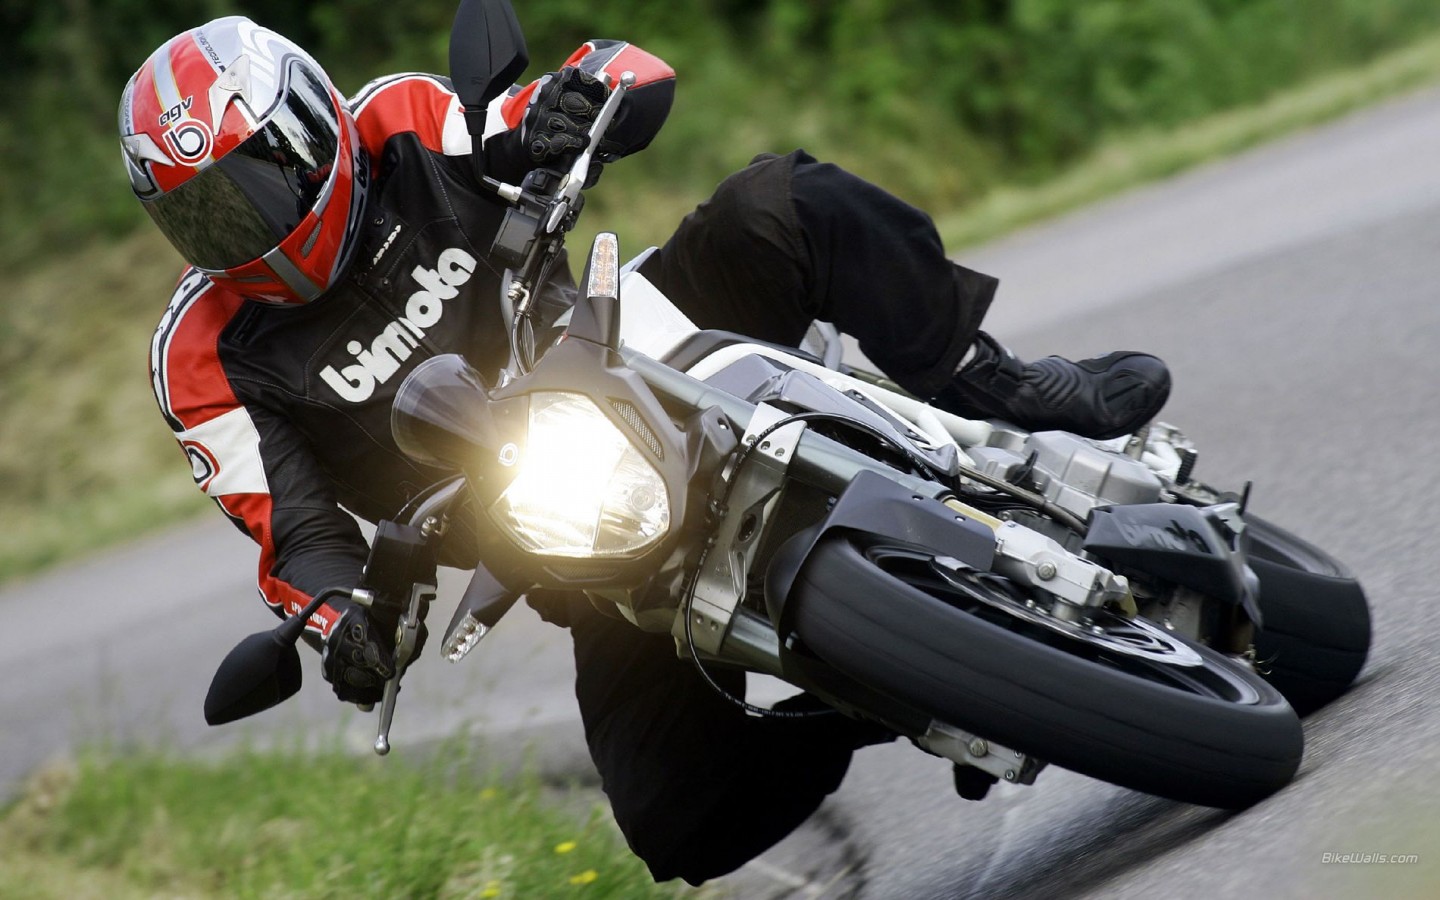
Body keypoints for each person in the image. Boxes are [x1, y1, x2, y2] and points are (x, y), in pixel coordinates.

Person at [122, 16, 1170, 885]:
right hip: (556, 537)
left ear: (310, 125)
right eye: (203, 212)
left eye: (254, 180)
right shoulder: (200, 356)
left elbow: (561, 101)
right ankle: (909, 685)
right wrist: (346, 625)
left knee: (782, 205)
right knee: (678, 822)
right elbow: (295, 532)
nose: (242, 223)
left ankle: (1003, 385)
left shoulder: (402, 122)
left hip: (635, 348)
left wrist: (574, 105)